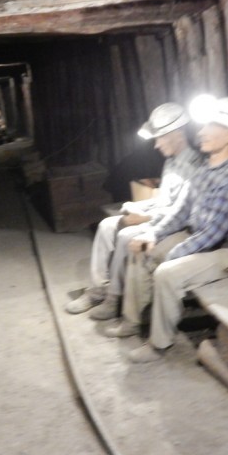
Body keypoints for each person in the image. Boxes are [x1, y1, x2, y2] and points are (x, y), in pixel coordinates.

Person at [105, 95, 228, 363]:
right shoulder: (205, 168)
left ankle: (159, 344)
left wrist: (172, 255)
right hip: (199, 239)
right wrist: (153, 234)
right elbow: (181, 211)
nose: (201, 132)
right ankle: (132, 321)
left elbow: (213, 233)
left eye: (210, 126)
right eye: (203, 125)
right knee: (142, 250)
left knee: (167, 272)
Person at [65, 102, 201, 319]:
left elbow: (182, 213)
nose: (156, 145)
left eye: (160, 138)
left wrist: (145, 216)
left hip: (175, 226)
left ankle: (114, 299)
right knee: (106, 225)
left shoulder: (194, 166)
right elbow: (164, 200)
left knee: (126, 235)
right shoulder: (172, 162)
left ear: (177, 134)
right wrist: (136, 207)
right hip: (161, 216)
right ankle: (99, 290)